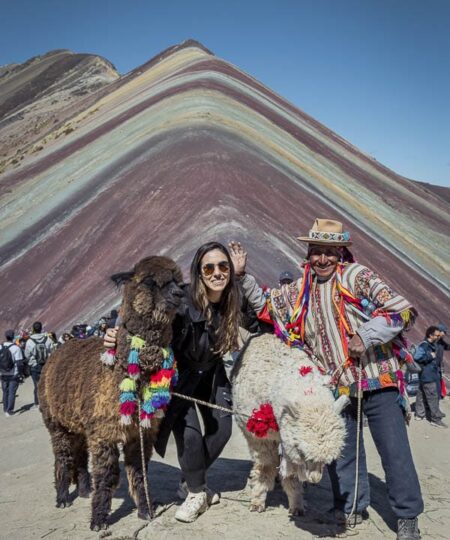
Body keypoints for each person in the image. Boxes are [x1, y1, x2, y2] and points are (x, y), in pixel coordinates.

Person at [230, 218, 423, 540]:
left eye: (329, 252)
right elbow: (268, 308)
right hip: (336, 386)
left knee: (394, 451)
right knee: (341, 453)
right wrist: (242, 276)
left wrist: (368, 334)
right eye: (316, 251)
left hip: (378, 378)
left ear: (340, 252)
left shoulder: (358, 277)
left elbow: (401, 310)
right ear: (308, 253)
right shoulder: (300, 289)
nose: (322, 259)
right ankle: (350, 507)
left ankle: (407, 516)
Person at [105, 241, 258, 523]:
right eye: (208, 267)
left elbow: (259, 322)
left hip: (212, 374)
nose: (217, 273)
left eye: (223, 266)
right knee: (189, 434)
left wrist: (243, 276)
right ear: (198, 272)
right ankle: (196, 493)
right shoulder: (181, 299)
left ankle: (189, 480)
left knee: (222, 430)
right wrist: (116, 333)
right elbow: (140, 311)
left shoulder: (234, 299)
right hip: (178, 376)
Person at [414, 326, 446, 427]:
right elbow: (417, 357)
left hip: (425, 375)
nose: (438, 337)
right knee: (433, 396)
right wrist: (430, 356)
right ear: (430, 335)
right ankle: (435, 419)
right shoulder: (424, 345)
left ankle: (419, 414)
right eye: (436, 335)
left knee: (421, 395)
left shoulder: (430, 344)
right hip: (428, 376)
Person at [25, 321, 55, 408]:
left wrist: (32, 361)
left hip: (35, 365)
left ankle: (37, 403)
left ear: (33, 329)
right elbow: (52, 351)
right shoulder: (48, 339)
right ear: (41, 328)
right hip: (46, 364)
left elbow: (27, 355)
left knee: (37, 385)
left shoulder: (29, 341)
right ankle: (48, 401)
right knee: (47, 383)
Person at [1, 330, 25, 416]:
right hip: (13, 373)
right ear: (13, 337)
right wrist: (21, 374)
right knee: (12, 392)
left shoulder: (1, 347)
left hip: (3, 374)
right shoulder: (16, 348)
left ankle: (5, 409)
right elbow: (19, 363)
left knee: (5, 392)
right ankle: (9, 410)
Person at [435, 323, 449, 399]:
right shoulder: (433, 340)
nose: (445, 334)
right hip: (432, 367)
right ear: (439, 332)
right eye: (444, 332)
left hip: (438, 367)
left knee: (438, 383)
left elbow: (448, 347)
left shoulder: (441, 342)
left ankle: (438, 398)